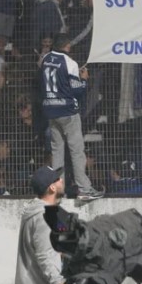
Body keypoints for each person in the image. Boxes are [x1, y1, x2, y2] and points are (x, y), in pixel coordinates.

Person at [40, 34, 103, 201]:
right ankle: (84, 189)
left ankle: (57, 192)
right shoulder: (70, 63)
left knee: (57, 152)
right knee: (77, 151)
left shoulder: (46, 59)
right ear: (67, 46)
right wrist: (84, 80)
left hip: (51, 111)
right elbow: (77, 90)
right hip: (67, 112)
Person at [15, 165, 65, 284]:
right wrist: (60, 283)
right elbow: (44, 255)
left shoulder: (39, 211)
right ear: (52, 188)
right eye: (57, 179)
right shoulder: (44, 217)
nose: (61, 180)